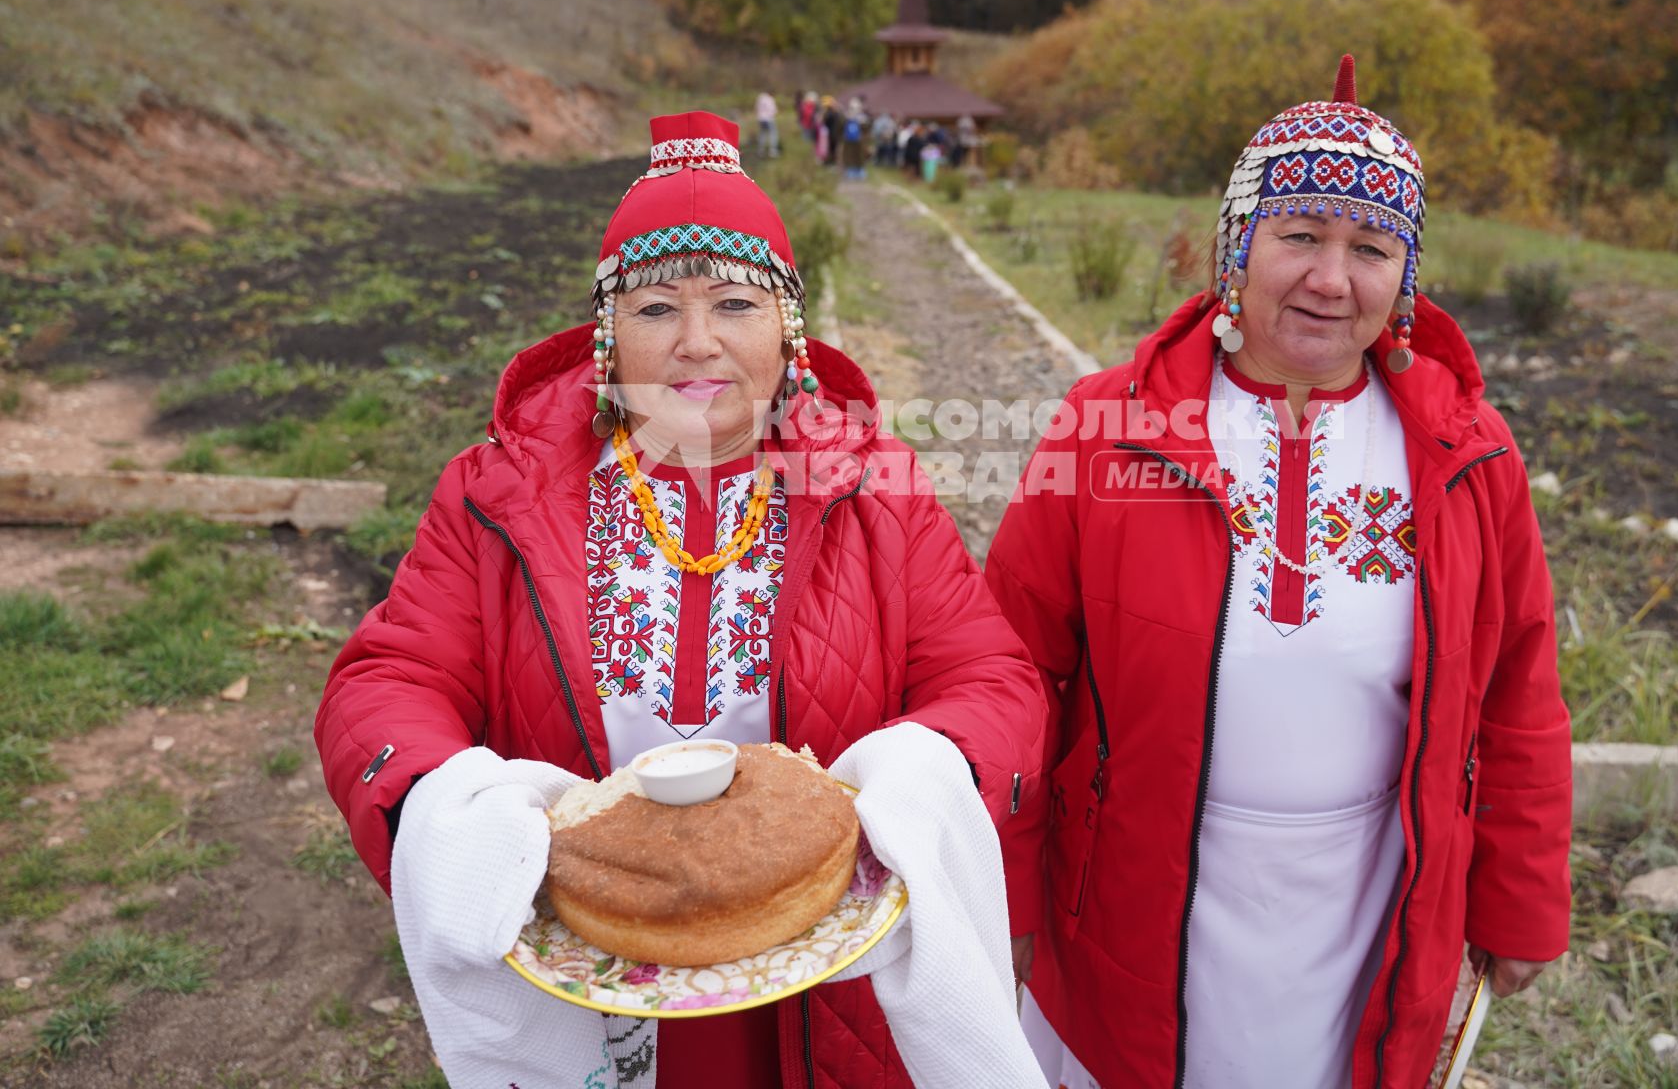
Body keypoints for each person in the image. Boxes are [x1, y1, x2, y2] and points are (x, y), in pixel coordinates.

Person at [317, 111, 1047, 1088]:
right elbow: (392, 677)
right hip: (588, 954)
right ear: (607, 335)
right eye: (656, 307)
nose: (697, 344)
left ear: (788, 331)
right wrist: (442, 802)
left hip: (822, 974)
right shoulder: (499, 492)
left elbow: (988, 677)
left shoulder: (876, 487)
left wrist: (924, 770)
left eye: (736, 304)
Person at [988, 56, 1571, 1089]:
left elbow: (1519, 692)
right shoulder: (1109, 427)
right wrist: (1009, 892)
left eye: (1370, 246)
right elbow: (1014, 672)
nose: (1331, 278)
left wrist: (1521, 897)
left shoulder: (1470, 454)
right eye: (1300, 234)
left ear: (1407, 275)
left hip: (1366, 902)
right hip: (1134, 888)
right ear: (1237, 245)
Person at [755, 90, 779, 159]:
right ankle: (773, 151)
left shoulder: (760, 98)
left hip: (761, 119)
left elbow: (756, 108)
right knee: (773, 134)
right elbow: (773, 110)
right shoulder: (770, 99)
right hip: (769, 119)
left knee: (762, 134)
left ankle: (760, 150)